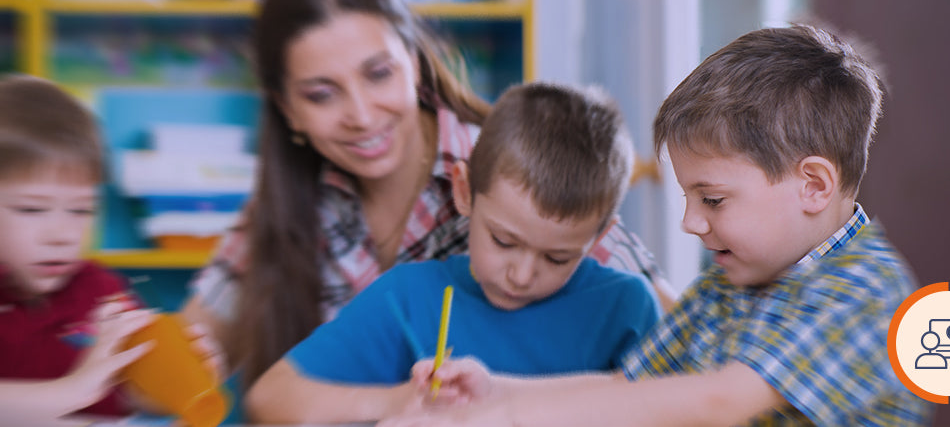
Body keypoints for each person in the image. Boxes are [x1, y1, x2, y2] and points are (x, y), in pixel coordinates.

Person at [378, 24, 933, 427]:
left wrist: (504, 418)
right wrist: (495, 394)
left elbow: (719, 402)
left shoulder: (861, 292)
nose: (692, 222)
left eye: (712, 199)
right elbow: (631, 387)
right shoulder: (734, 279)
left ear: (813, 185)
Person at [180, 0, 675, 392]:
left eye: (378, 74)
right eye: (321, 94)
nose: (361, 114)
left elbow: (686, 346)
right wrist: (167, 363)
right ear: (288, 110)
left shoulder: (510, 171)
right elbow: (192, 358)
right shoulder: (285, 208)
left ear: (414, 64)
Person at [244, 82, 661, 424]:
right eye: (503, 240)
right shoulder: (409, 296)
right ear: (463, 191)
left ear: (601, 234)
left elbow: (677, 409)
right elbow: (271, 397)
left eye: (557, 258)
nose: (521, 274)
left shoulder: (627, 309)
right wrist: (392, 403)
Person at [0, 76, 158, 419]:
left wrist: (184, 374)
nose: (62, 235)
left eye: (81, 210)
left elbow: (140, 394)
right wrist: (71, 390)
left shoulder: (104, 292)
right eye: (32, 209)